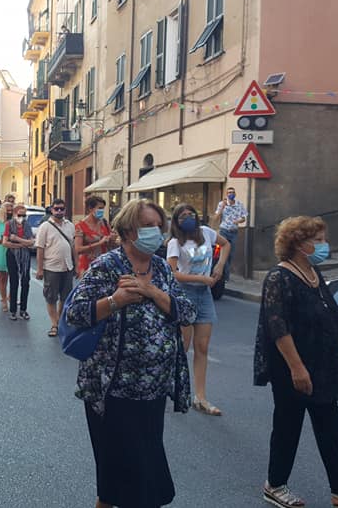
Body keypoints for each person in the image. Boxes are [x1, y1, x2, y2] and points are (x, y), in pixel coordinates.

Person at [64, 198, 196, 508]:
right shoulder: (107, 266)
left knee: (134, 472)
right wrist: (116, 300)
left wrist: (152, 292)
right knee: (124, 475)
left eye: (157, 226)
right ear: (126, 232)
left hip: (152, 389)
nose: (154, 232)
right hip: (112, 389)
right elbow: (76, 314)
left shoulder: (161, 267)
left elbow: (186, 312)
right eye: (146, 226)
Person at [254, 216, 338, 508]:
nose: (324, 245)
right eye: (318, 240)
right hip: (292, 366)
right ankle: (274, 485)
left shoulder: (313, 273)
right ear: (298, 243)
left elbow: (325, 312)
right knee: (288, 426)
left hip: (322, 365)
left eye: (323, 239)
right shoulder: (279, 277)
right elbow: (277, 327)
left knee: (330, 429)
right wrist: (297, 367)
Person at [167, 204, 230, 416]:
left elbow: (226, 244)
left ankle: (200, 397)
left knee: (202, 347)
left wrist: (220, 266)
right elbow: (172, 273)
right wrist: (200, 278)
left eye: (190, 214)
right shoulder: (175, 243)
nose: (188, 218)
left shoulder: (207, 233)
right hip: (185, 294)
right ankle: (172, 385)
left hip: (204, 295)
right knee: (183, 346)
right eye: (182, 216)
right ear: (176, 221)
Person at [35, 198, 76, 337]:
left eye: (61, 209)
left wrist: (75, 265)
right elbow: (40, 249)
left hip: (67, 266)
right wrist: (39, 269)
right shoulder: (45, 227)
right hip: (51, 267)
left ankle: (59, 322)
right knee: (51, 297)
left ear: (65, 210)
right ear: (51, 210)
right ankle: (54, 324)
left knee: (65, 297)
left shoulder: (70, 225)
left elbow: (73, 246)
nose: (59, 211)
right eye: (56, 208)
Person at [3, 203, 35, 321]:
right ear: (15, 214)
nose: (22, 217)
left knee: (26, 282)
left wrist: (17, 240)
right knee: (14, 282)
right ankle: (13, 310)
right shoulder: (9, 224)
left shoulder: (27, 225)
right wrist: (23, 244)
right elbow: (5, 242)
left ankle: (23, 309)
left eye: (24, 215)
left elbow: (32, 242)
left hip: (25, 257)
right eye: (20, 214)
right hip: (12, 256)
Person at [75, 196, 115, 278]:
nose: (102, 211)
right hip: (88, 266)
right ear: (90, 209)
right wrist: (99, 243)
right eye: (99, 208)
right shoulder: (80, 226)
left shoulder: (104, 223)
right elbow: (78, 249)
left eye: (103, 208)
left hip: (105, 264)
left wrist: (112, 239)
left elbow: (110, 245)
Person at [214, 186, 247, 282]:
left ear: (235, 194)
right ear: (226, 194)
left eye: (232, 192)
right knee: (223, 253)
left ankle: (224, 274)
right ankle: (225, 276)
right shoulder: (222, 204)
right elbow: (215, 218)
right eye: (229, 192)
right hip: (224, 230)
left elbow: (244, 218)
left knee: (230, 254)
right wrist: (222, 208)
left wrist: (238, 221)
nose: (231, 194)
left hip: (234, 232)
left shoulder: (239, 205)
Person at [0, 202, 13, 312]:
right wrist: (3, 239)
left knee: (13, 276)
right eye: (8, 211)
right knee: (2, 277)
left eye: (11, 210)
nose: (10, 213)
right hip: (0, 251)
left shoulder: (15, 223)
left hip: (12, 250)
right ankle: (4, 299)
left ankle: (10, 296)